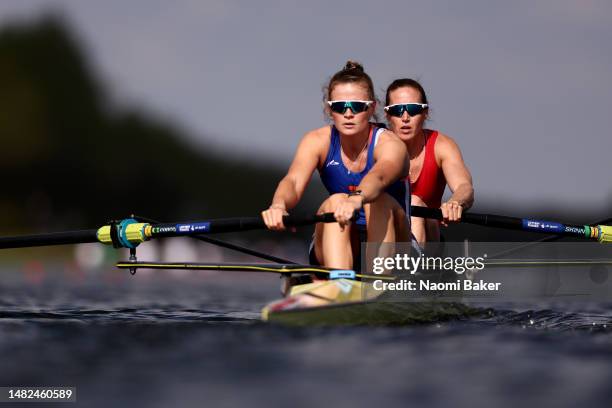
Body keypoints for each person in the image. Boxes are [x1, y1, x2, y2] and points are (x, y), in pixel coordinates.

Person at [262, 61, 410, 272]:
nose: (348, 113)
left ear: (371, 108)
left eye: (357, 106)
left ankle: (380, 281)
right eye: (339, 107)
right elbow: (293, 181)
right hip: (339, 239)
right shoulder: (316, 141)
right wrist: (278, 206)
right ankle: (341, 282)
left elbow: (379, 176)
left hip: (396, 246)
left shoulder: (390, 144)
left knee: (377, 201)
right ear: (330, 109)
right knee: (335, 201)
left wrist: (357, 198)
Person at [384, 78, 474, 246]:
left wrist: (455, 202)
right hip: (383, 232)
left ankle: (417, 267)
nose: (405, 117)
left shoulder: (442, 145)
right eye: (397, 110)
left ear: (426, 113)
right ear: (387, 115)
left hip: (429, 235)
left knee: (414, 202)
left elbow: (464, 187)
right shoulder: (376, 143)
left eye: (413, 109)